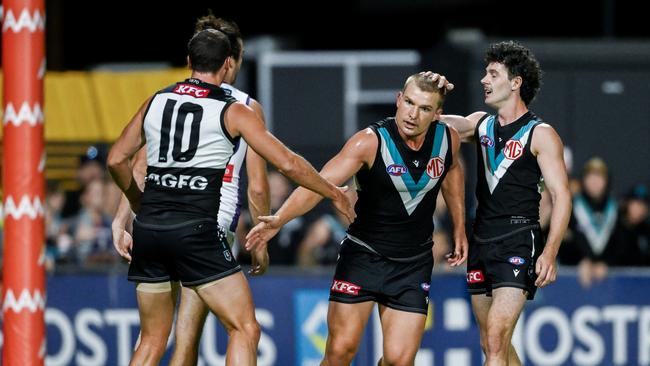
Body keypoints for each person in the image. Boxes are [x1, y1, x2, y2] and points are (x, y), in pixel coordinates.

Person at [107, 29, 355, 366]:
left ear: (189, 62)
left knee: (151, 341)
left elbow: (117, 160)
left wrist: (137, 205)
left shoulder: (156, 101)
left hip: (149, 231)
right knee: (244, 329)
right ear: (227, 64)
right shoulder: (235, 110)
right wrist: (332, 192)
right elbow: (286, 163)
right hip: (197, 232)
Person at [246, 72, 467, 365]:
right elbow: (319, 183)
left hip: (413, 264)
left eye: (425, 108)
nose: (413, 114)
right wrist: (279, 218)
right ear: (398, 100)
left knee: (400, 361)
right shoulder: (369, 142)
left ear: (438, 114)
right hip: (364, 256)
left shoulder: (448, 139)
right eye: (409, 103)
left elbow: (452, 173)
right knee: (340, 352)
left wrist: (460, 227)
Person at [111, 14, 273, 365]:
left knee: (152, 339)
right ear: (233, 61)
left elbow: (137, 165)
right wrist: (261, 240)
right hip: (209, 224)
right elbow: (257, 188)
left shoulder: (165, 101)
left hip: (157, 217)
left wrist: (122, 219)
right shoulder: (245, 108)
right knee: (193, 338)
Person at [441, 41, 572, 365]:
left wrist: (550, 252)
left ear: (515, 83)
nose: (485, 80)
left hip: (518, 239)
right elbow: (438, 122)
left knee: (497, 338)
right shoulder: (481, 124)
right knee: (491, 344)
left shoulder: (540, 134)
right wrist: (434, 93)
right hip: (481, 240)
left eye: (493, 73)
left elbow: (561, 195)